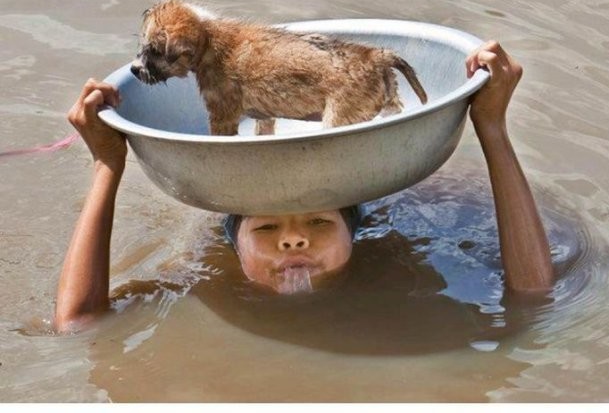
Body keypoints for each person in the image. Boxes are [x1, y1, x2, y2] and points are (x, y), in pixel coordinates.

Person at [54, 41, 554, 333]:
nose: (294, 240)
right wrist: (106, 166)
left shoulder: (400, 263)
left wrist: (492, 128)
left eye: (318, 221)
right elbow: (77, 324)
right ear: (234, 244)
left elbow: (533, 296)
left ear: (356, 231)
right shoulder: (203, 278)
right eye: (267, 226)